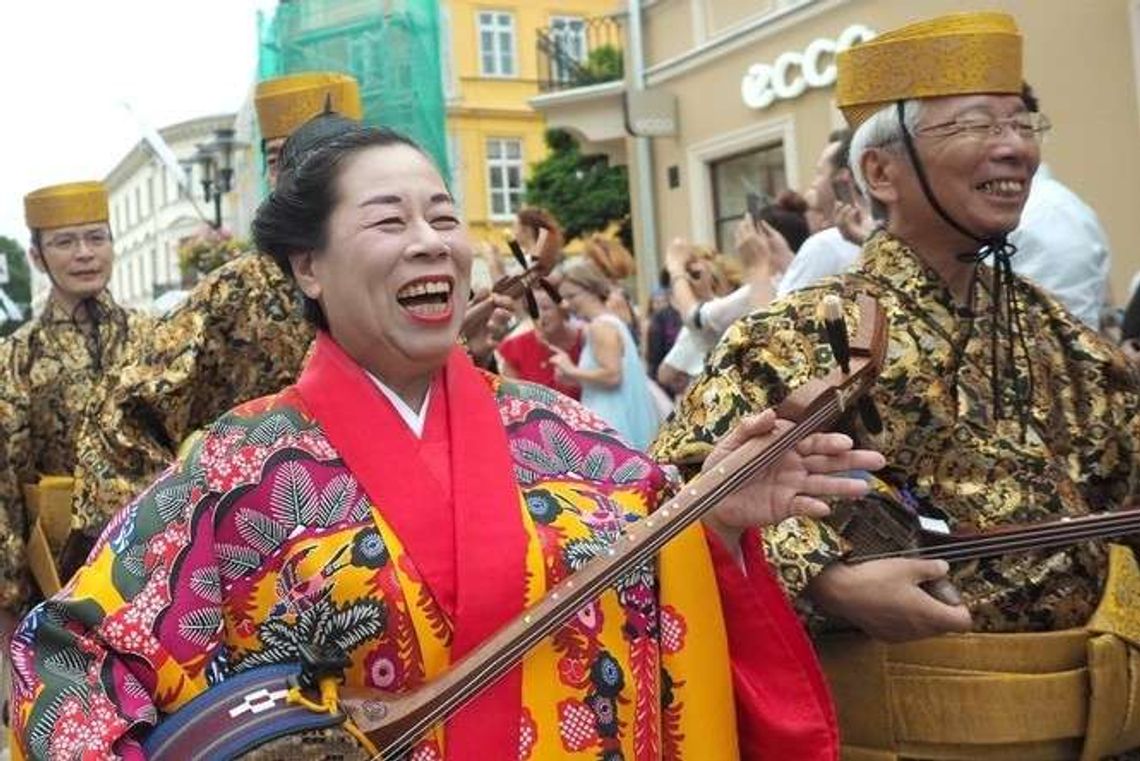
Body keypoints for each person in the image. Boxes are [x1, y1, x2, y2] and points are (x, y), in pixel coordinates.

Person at [9, 124, 886, 760]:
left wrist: (719, 525)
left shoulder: (561, 428)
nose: (430, 241)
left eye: (443, 215)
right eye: (389, 222)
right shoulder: (247, 464)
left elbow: (664, 576)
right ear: (308, 267)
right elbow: (64, 653)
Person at [653, 12, 1140, 760]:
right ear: (880, 172)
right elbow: (678, 498)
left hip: (1096, 723)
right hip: (905, 730)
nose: (1015, 145)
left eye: (1022, 120)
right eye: (975, 123)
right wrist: (823, 580)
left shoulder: (1055, 334)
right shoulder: (801, 332)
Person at [69, 72, 363, 537]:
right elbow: (120, 417)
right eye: (279, 159)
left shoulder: (401, 273)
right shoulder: (233, 291)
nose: (300, 176)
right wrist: (190, 533)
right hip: (267, 549)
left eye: (327, 160)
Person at [0, 182, 154, 625]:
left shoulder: (156, 338)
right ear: (37, 256)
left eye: (96, 237)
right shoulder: (17, 356)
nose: (84, 253)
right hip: (58, 572)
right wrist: (9, 599)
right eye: (64, 242)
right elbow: (5, 482)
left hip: (152, 554)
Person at [549, 257, 661, 450]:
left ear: (591, 290)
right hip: (614, 415)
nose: (567, 304)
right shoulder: (609, 323)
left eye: (572, 296)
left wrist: (571, 371)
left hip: (610, 419)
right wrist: (574, 377)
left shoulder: (600, 326)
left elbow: (612, 375)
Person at [776, 131, 865, 297]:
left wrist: (757, 268)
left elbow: (775, 320)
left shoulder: (825, 245)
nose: (813, 184)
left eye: (819, 172)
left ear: (843, 179)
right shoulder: (887, 234)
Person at [496, 280, 583, 399]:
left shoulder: (584, 339)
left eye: (546, 308)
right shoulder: (515, 346)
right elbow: (510, 395)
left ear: (563, 309)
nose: (540, 316)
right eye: (533, 310)